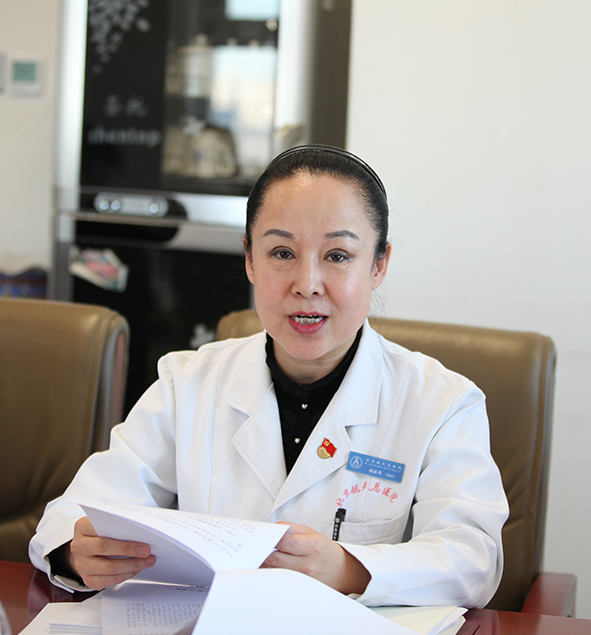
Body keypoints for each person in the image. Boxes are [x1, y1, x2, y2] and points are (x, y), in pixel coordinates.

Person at [30, 145, 508, 608]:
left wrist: (347, 568)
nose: (307, 284)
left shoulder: (442, 404)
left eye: (338, 256)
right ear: (249, 260)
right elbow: (74, 513)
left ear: (378, 264)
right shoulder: (187, 383)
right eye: (282, 252)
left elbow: (473, 559)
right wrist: (76, 551)